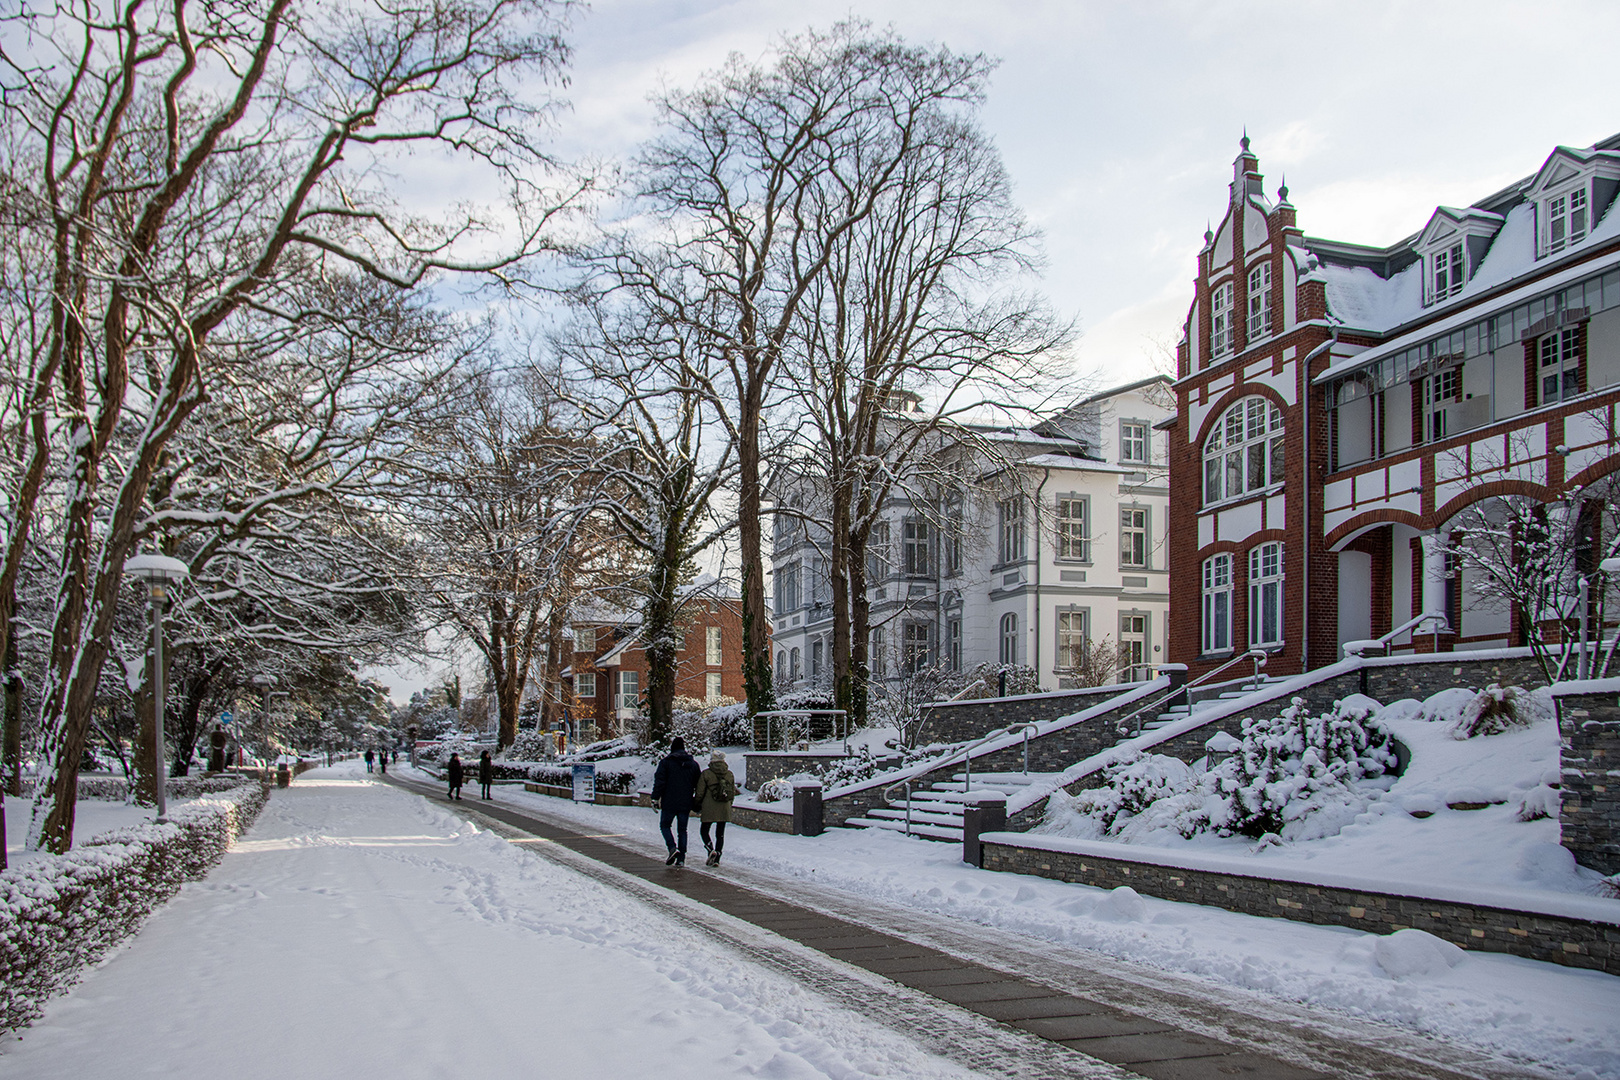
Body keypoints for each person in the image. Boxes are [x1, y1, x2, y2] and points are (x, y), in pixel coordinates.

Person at [650, 736, 701, 866]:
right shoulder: (693, 765)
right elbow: (698, 785)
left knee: (665, 825)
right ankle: (681, 858)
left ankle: (672, 848)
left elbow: (660, 782)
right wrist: (697, 802)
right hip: (686, 802)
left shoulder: (666, 763)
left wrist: (655, 797)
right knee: (682, 830)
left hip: (669, 801)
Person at [695, 750, 737, 867]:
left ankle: (710, 849)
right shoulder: (729, 774)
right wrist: (729, 804)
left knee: (704, 830)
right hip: (724, 806)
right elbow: (732, 792)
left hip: (709, 806)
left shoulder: (706, 774)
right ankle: (718, 857)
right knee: (720, 833)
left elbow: (700, 792)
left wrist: (697, 803)